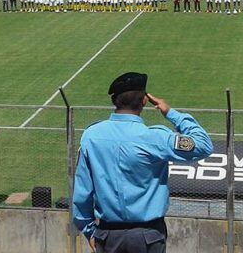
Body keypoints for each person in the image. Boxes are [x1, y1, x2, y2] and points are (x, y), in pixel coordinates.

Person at [72, 72, 212, 253]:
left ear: (114, 101)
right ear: (145, 101)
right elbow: (203, 145)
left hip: (107, 235)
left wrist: (89, 231)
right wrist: (171, 113)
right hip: (149, 236)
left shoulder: (91, 136)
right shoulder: (155, 137)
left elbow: (82, 193)